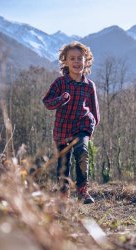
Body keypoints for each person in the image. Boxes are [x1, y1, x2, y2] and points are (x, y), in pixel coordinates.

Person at [43, 41, 100, 204]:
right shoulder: (60, 83)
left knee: (82, 153)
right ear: (65, 62)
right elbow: (47, 102)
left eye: (80, 58)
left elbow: (95, 111)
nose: (76, 62)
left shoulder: (89, 86)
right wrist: (61, 99)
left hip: (83, 126)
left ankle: (83, 191)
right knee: (63, 164)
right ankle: (63, 195)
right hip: (62, 130)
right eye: (72, 58)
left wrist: (91, 131)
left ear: (86, 61)